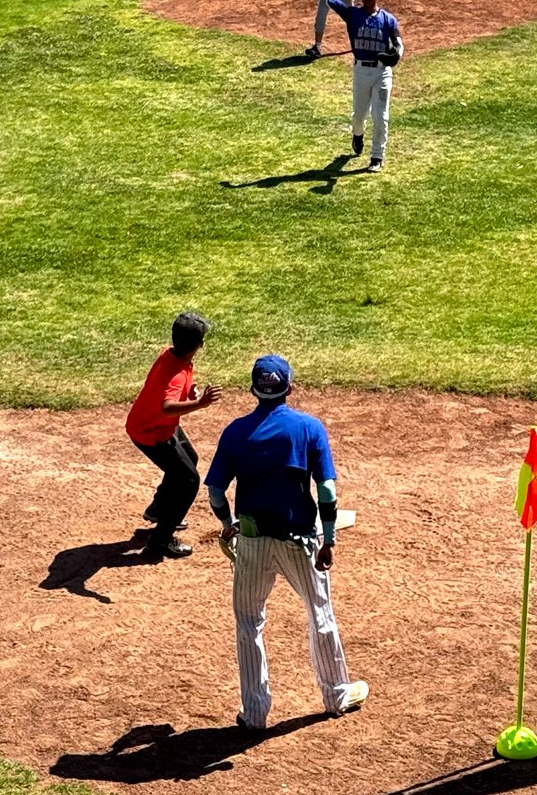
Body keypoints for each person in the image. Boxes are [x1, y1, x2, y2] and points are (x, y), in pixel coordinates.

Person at [205, 354, 368, 731]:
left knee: (249, 623)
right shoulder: (309, 428)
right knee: (319, 613)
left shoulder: (235, 432)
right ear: (289, 388)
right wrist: (329, 539)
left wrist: (227, 525)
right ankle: (336, 695)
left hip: (252, 543)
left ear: (253, 390)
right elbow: (327, 492)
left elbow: (214, 490)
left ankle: (254, 713)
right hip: (300, 542)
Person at [125, 311, 223, 560]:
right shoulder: (178, 371)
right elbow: (167, 407)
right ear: (200, 345)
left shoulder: (170, 354)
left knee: (189, 459)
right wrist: (200, 403)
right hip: (151, 432)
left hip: (151, 424)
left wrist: (189, 392)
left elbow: (170, 387)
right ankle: (160, 542)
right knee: (189, 480)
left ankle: (159, 509)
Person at [325, 0, 402, 170]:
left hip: (381, 72)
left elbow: (398, 43)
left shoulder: (388, 19)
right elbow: (331, 0)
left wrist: (396, 56)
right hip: (361, 71)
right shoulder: (352, 14)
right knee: (359, 116)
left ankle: (377, 157)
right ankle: (357, 135)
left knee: (380, 116)